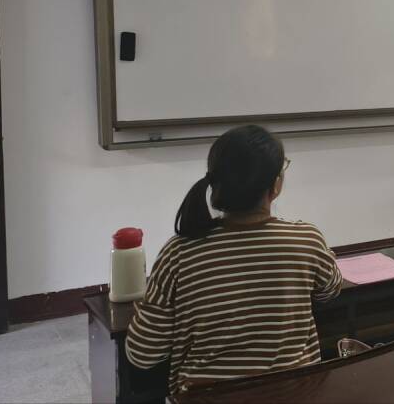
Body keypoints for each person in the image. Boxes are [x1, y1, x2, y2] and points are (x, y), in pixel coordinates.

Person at [125, 125, 342, 394]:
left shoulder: (179, 252)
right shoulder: (306, 240)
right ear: (275, 185)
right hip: (294, 395)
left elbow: (142, 354)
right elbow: (330, 290)